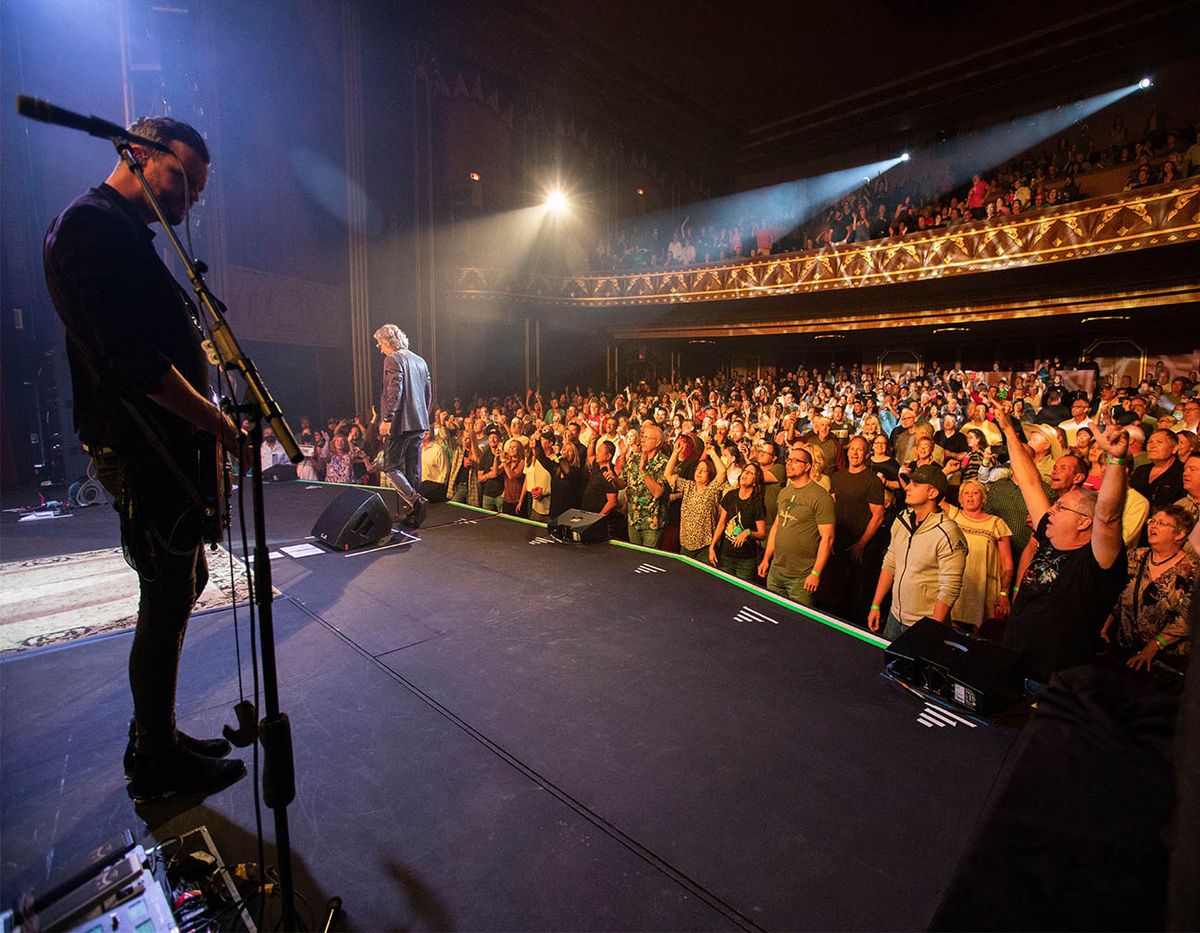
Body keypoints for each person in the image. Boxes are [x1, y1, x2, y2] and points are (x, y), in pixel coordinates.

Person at [43, 116, 245, 802]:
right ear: (136, 152)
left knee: (178, 588)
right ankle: (154, 757)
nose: (189, 197)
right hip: (141, 445)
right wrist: (217, 422)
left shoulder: (126, 233)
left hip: (166, 446)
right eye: (181, 178)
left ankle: (154, 734)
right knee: (165, 592)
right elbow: (135, 362)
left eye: (197, 188)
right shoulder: (89, 228)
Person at [996, 405, 1129, 682]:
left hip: (1055, 680)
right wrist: (1008, 428)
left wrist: (1115, 460)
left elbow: (1107, 517)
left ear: (1083, 521)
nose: (1051, 511)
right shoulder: (1050, 535)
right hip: (1012, 659)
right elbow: (1030, 482)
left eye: (1061, 507)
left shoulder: (1095, 564)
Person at [867, 465, 968, 640]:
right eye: (909, 483)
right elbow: (891, 562)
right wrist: (876, 605)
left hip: (923, 624)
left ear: (933, 493)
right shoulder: (903, 518)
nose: (908, 487)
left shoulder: (948, 532)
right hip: (894, 617)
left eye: (916, 484)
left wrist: (931, 630)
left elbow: (949, 589)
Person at [1102, 505, 1196, 685]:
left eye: (1161, 523)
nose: (1153, 526)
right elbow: (1119, 594)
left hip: (1165, 660)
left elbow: (1188, 617)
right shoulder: (1136, 556)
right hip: (1124, 649)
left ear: (1179, 534)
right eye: (1152, 521)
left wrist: (1155, 645)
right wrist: (1106, 624)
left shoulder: (1191, 570)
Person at [757, 443, 835, 606]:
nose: (789, 464)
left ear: (807, 466)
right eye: (788, 460)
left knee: (798, 624)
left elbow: (827, 538)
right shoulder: (785, 492)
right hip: (777, 570)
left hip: (801, 577)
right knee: (772, 614)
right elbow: (777, 527)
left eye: (795, 460)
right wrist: (766, 558)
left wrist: (816, 573)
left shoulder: (820, 496)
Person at [374, 323, 432, 528]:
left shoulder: (393, 359)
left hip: (400, 424)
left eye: (379, 343)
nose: (379, 348)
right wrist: (424, 418)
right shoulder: (420, 361)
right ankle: (413, 514)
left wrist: (387, 419)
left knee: (390, 466)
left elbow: (394, 390)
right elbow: (427, 394)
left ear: (388, 341)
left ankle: (416, 501)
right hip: (419, 423)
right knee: (412, 468)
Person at [942, 480, 1014, 634]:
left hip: (983, 591)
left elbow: (1007, 564)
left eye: (975, 493)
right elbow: (931, 492)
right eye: (966, 493)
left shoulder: (996, 523)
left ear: (983, 498)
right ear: (960, 499)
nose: (970, 497)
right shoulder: (953, 514)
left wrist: (1004, 593)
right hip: (956, 588)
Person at [665, 439, 726, 561]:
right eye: (698, 469)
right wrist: (675, 452)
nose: (699, 472)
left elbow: (722, 472)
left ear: (710, 474)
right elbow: (668, 474)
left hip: (705, 546)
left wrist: (712, 453)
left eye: (704, 470)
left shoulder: (711, 489)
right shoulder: (688, 486)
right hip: (685, 544)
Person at [710, 462, 767, 581]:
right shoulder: (731, 496)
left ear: (755, 481)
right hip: (726, 555)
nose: (745, 474)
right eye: (745, 471)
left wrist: (748, 532)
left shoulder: (757, 503)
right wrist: (712, 546)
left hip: (746, 560)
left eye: (750, 473)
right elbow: (721, 523)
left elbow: (762, 534)